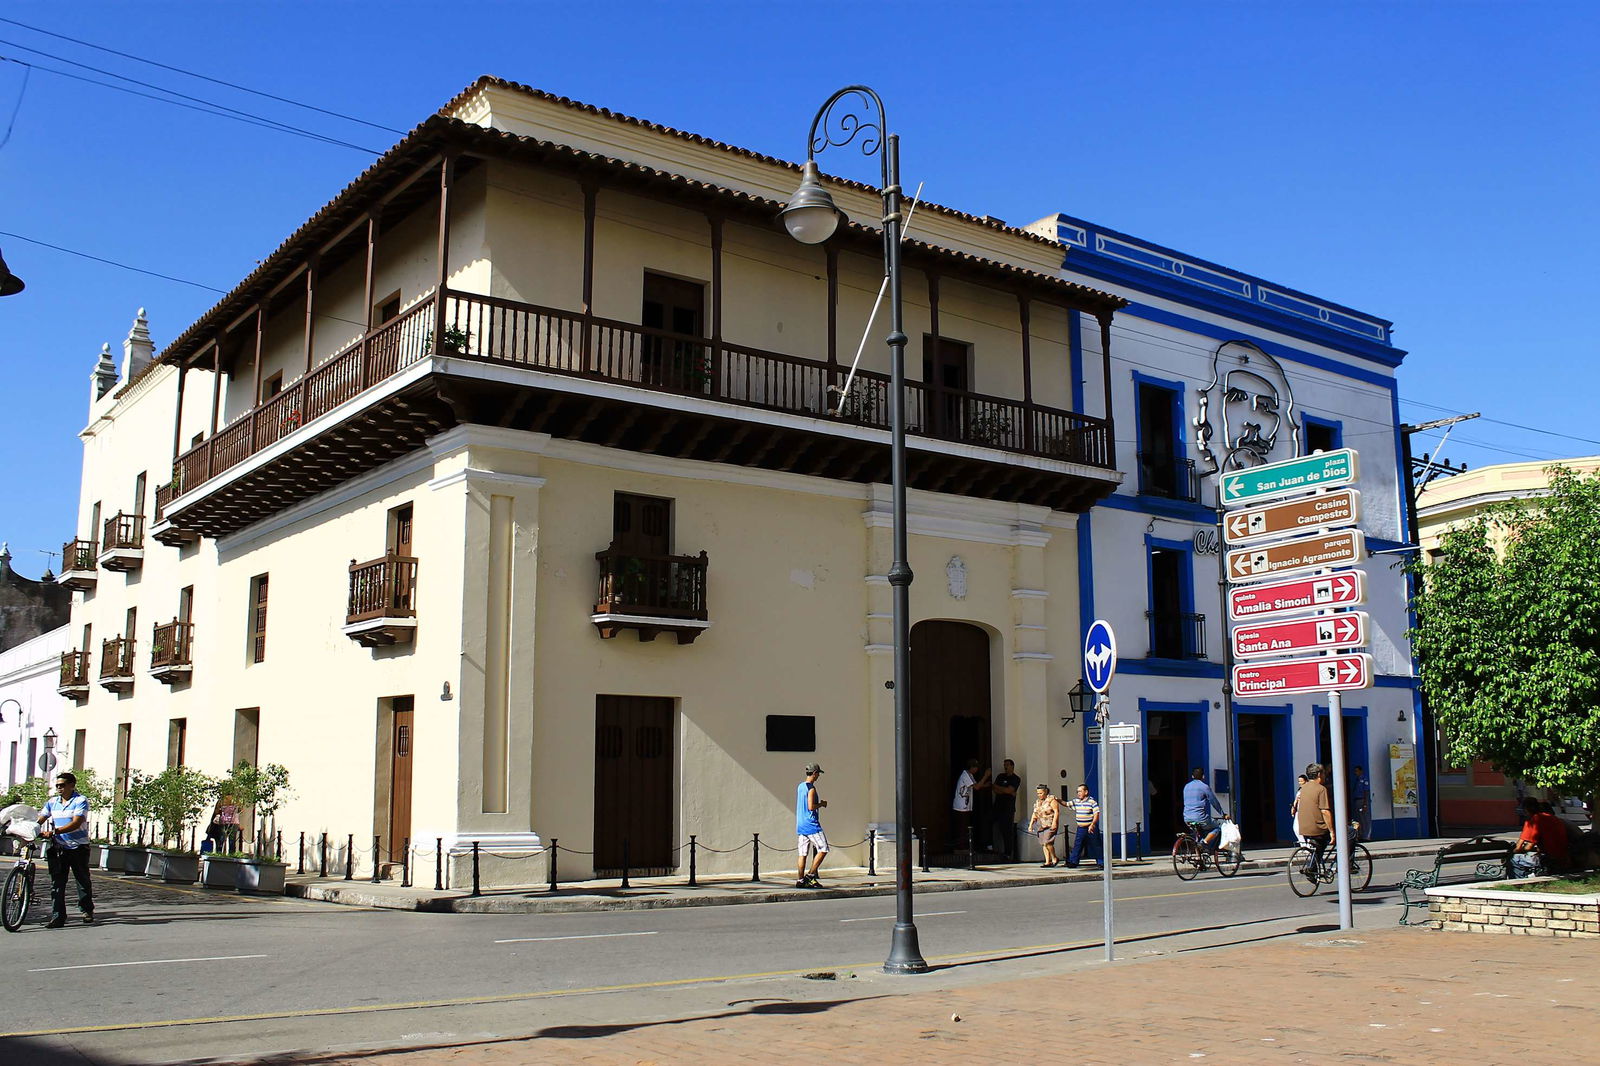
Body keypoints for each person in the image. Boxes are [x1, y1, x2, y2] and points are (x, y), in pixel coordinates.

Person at [36, 771, 93, 928]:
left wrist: (55, 832)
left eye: (62, 785)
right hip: (59, 848)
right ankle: (58, 916)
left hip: (78, 847)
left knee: (82, 879)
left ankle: (86, 910)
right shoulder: (52, 802)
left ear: (71, 785)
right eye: (57, 786)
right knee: (57, 882)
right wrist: (30, 828)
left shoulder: (80, 801)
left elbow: (76, 822)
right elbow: (40, 819)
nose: (59, 788)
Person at [1513, 799, 1570, 877]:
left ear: (1526, 810)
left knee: (1515, 859)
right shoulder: (1553, 818)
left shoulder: (1534, 819)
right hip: (1563, 856)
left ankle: (1519, 881)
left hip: (1549, 858)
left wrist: (1516, 851)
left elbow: (1525, 847)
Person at [795, 763, 829, 888]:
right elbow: (810, 806)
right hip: (811, 824)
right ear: (814, 773)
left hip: (801, 824)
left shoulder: (800, 786)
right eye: (818, 773)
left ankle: (800, 880)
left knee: (803, 853)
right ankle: (810, 876)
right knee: (824, 848)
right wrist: (821, 804)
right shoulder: (811, 788)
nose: (818, 776)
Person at [1296, 763, 1334, 875]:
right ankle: (1349, 864)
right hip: (1318, 828)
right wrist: (1332, 832)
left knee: (1319, 845)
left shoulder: (1303, 788)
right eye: (1323, 773)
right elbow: (1325, 811)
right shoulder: (1321, 789)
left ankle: (1313, 867)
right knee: (1350, 833)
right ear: (1319, 774)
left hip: (1303, 828)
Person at [1181, 767, 1226, 852]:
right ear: (1203, 777)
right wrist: (1222, 814)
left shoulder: (1186, 787)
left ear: (1192, 776)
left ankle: (1199, 857)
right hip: (1200, 818)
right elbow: (1214, 802)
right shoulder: (1204, 787)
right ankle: (1204, 843)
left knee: (1197, 834)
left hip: (1187, 818)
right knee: (1217, 827)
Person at [951, 759, 987, 851]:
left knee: (964, 827)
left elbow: (975, 785)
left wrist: (986, 785)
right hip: (961, 807)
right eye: (976, 767)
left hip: (965, 807)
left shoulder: (969, 775)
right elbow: (977, 787)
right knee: (962, 828)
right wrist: (986, 776)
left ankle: (963, 846)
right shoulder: (965, 775)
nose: (977, 770)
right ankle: (961, 847)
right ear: (972, 767)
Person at [989, 759, 1021, 862]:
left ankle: (1007, 853)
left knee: (1006, 831)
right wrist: (1006, 790)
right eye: (1004, 765)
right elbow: (994, 789)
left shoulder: (1016, 778)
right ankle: (989, 846)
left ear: (1012, 766)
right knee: (988, 822)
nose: (1005, 767)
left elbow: (1009, 790)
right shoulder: (1000, 776)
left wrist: (1004, 790)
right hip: (997, 806)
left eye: (1007, 765)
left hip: (1008, 809)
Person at [1064, 783, 1101, 868]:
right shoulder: (1076, 801)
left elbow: (1096, 813)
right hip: (1081, 828)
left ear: (1086, 792)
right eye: (1078, 791)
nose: (1078, 793)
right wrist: (1057, 799)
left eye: (1080, 791)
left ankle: (1101, 862)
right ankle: (1073, 862)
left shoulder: (1092, 802)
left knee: (1096, 845)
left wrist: (1093, 824)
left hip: (1091, 827)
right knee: (1078, 845)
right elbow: (1066, 804)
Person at [1027, 785, 1063, 867]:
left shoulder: (1051, 800)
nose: (1039, 795)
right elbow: (1035, 813)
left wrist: (1055, 822)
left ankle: (1054, 857)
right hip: (1041, 824)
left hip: (1050, 824)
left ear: (1046, 792)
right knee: (1043, 843)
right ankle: (1047, 861)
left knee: (1048, 842)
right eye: (1038, 793)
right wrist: (1031, 824)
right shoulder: (1038, 802)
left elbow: (1056, 811)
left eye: (1041, 793)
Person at [1352, 766, 1372, 842]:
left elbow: (1366, 792)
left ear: (1361, 771)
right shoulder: (1357, 780)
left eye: (1357, 771)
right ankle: (1361, 835)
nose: (1355, 773)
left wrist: (1365, 804)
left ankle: (1367, 836)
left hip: (1362, 800)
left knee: (1365, 818)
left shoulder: (1364, 779)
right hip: (1357, 800)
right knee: (1360, 819)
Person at [1289, 773, 1309, 845]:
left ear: (1306, 781)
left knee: (1307, 829)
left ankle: (1309, 845)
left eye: (1301, 781)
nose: (1300, 783)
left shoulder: (1308, 790)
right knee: (1296, 828)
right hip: (1299, 811)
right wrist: (1293, 808)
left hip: (1306, 812)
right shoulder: (1299, 790)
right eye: (1299, 781)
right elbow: (1296, 800)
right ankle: (1303, 844)